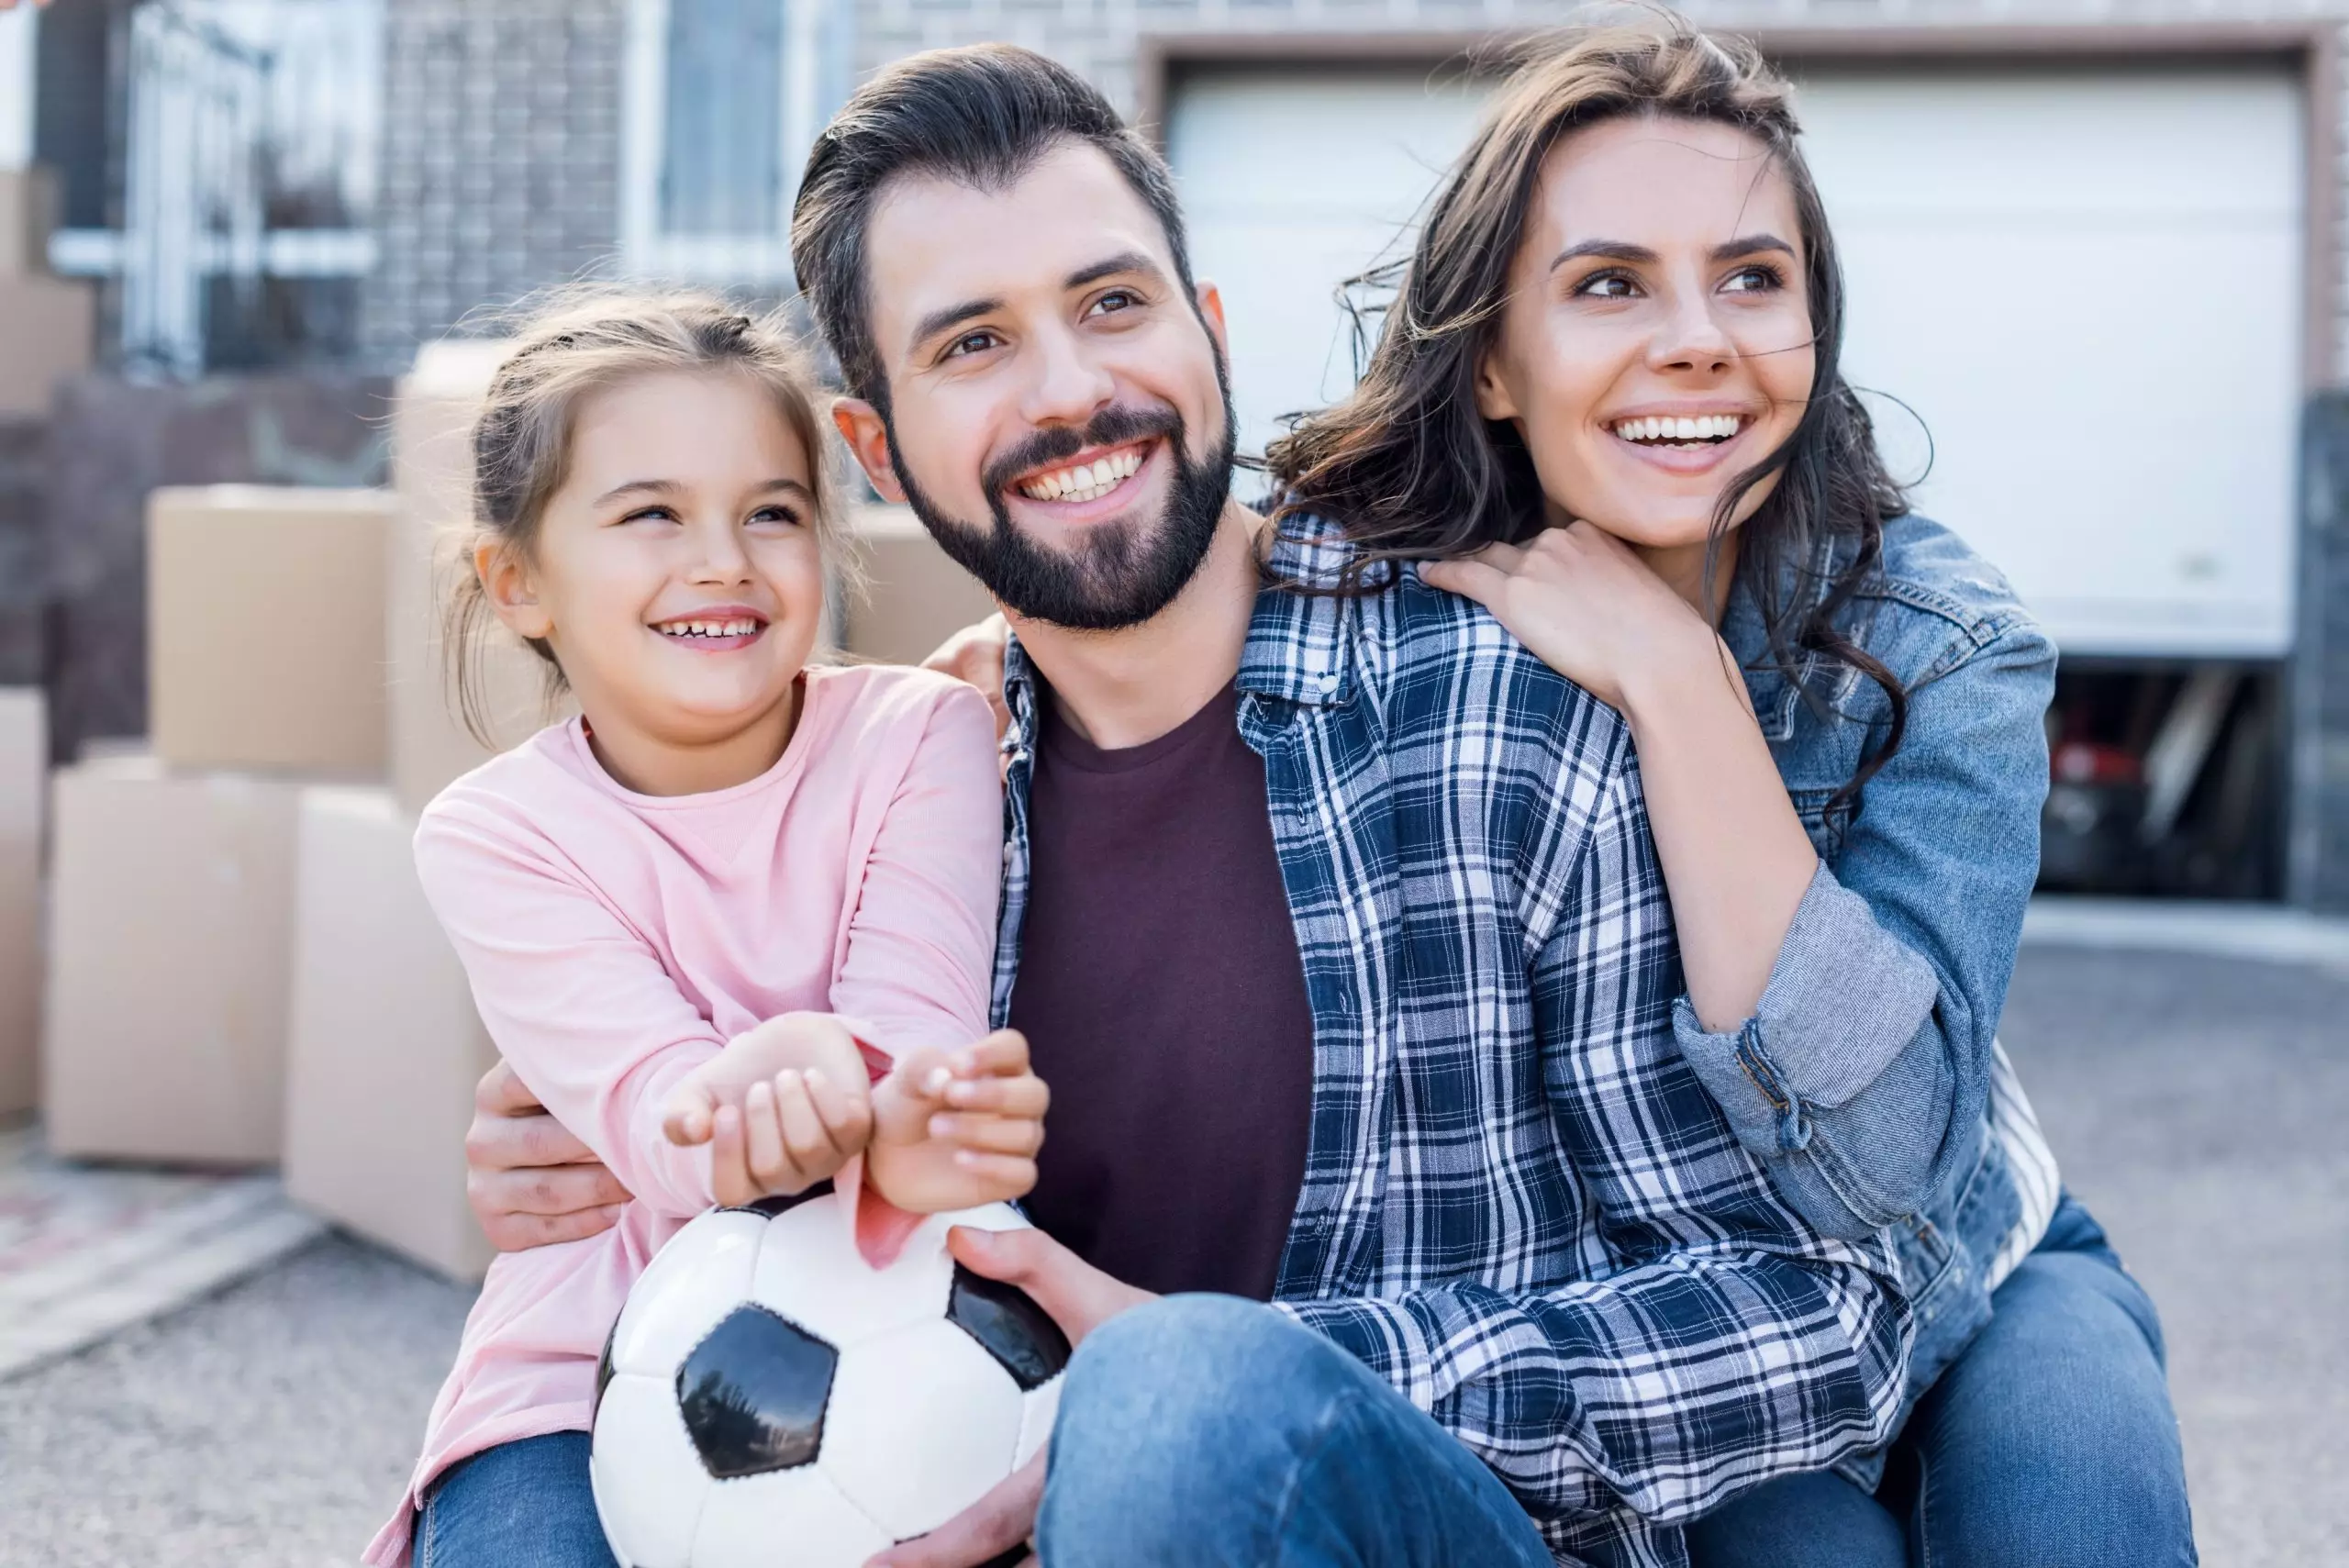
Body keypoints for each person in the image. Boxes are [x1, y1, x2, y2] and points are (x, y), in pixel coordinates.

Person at [465, 44, 1909, 1568]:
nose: (1074, 390)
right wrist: (587, 1128)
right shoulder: (897, 798)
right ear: (878, 453)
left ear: (1207, 332)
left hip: (1443, 1525)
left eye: (1112, 305)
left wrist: (1223, 1374)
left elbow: (1808, 1306)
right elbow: (705, 1097)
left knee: (1182, 1396)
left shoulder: (1495, 717)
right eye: (973, 345)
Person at [1266, 24, 2194, 1566]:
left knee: (2082, 1521)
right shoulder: (1396, 609)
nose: (1699, 340)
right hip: (1698, 1330)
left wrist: (1679, 683)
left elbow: (1887, 1160)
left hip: (1966, 1257)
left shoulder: (1943, 647)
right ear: (1492, 358)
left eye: (1754, 278)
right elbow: (1172, 610)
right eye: (1611, 283)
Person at [362, 291, 1050, 1568]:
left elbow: (914, 1028)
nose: (724, 558)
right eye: (651, 514)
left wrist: (882, 1090)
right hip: (574, 1381)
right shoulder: (497, 835)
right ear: (519, 585)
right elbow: (657, 1114)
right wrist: (800, 1084)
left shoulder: (921, 737)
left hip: (898, 1338)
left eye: (772, 512)